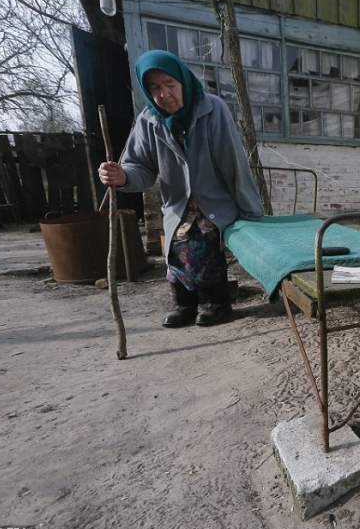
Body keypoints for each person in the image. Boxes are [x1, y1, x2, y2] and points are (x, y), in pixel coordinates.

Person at [99, 50, 264, 328]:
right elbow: (141, 169)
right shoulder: (148, 121)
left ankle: (218, 303)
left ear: (183, 82)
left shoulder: (212, 109)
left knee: (203, 241)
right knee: (175, 248)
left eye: (169, 84)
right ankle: (185, 305)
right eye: (155, 88)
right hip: (177, 206)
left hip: (214, 204)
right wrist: (122, 176)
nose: (164, 95)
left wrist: (251, 212)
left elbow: (233, 165)